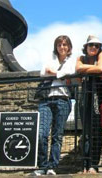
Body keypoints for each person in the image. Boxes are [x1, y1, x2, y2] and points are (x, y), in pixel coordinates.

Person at [33, 35, 76, 176]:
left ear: (69, 47)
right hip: (46, 99)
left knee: (57, 135)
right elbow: (42, 73)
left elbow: (70, 72)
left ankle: (52, 166)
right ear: (56, 47)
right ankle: (42, 165)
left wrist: (54, 73)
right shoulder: (50, 58)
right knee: (41, 133)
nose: (62, 47)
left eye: (64, 44)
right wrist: (60, 75)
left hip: (63, 99)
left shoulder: (72, 60)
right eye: (59, 45)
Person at [76, 35, 102, 174]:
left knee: (97, 130)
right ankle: (85, 164)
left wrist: (84, 69)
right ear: (86, 47)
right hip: (85, 96)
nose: (94, 47)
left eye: (96, 45)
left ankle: (94, 164)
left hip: (99, 95)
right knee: (86, 131)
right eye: (91, 45)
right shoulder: (80, 58)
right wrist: (89, 68)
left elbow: (100, 69)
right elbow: (77, 68)